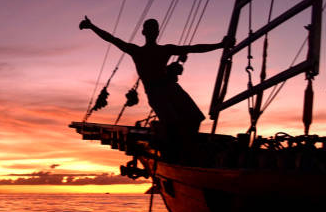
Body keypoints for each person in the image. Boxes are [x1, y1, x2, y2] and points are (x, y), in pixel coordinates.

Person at [79, 16, 231, 140]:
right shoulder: (137, 51)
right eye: (149, 29)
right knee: (173, 123)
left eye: (153, 29)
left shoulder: (165, 50)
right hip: (156, 93)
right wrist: (92, 27)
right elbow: (111, 39)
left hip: (171, 88)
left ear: (156, 32)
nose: (151, 32)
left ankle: (185, 144)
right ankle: (166, 133)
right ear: (144, 32)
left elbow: (194, 48)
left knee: (195, 117)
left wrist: (219, 45)